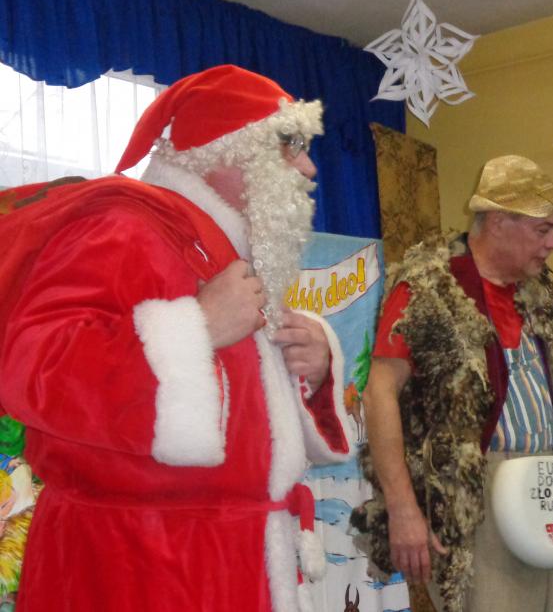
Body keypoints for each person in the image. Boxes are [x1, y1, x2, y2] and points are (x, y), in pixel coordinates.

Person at [0, 65, 354, 611]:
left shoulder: (223, 247)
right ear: (222, 149)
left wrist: (313, 364)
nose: (308, 167)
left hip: (232, 559)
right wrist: (201, 326)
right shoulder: (122, 227)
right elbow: (33, 366)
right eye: (290, 144)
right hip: (135, 567)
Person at [350, 155, 553, 612]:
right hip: (474, 498)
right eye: (543, 230)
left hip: (545, 490)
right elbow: (379, 393)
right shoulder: (428, 289)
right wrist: (402, 509)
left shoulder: (532, 291)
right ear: (498, 222)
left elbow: (512, 398)